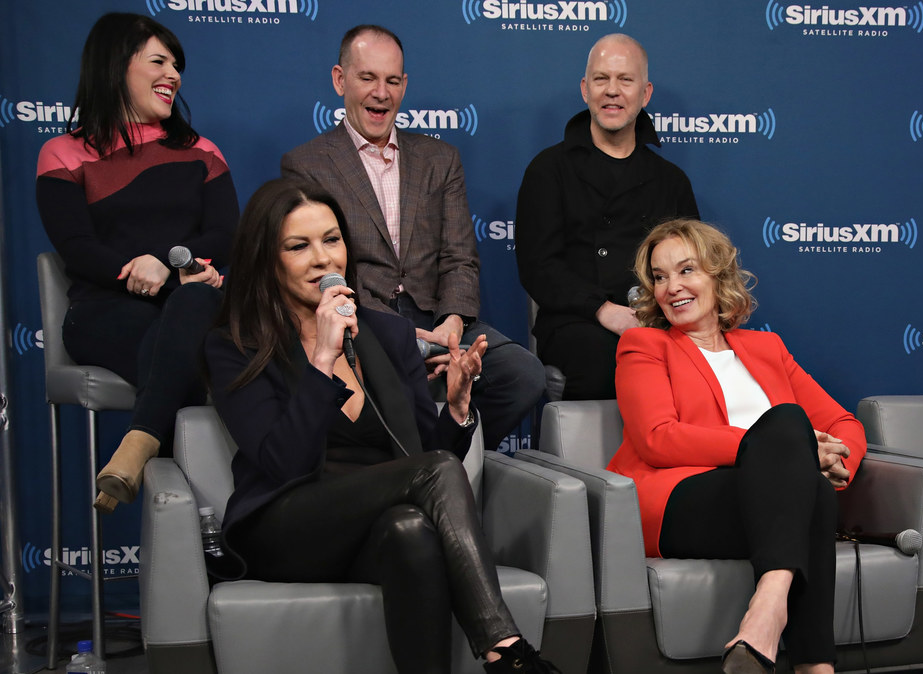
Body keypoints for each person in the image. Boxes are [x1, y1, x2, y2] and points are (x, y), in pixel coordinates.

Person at [204, 179, 558, 674]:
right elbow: (282, 462)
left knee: (412, 529)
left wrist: (456, 409)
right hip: (288, 526)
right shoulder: (236, 344)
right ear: (267, 257)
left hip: (373, 526)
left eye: (332, 240)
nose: (323, 259)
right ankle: (505, 650)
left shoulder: (386, 333)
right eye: (298, 246)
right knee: (429, 477)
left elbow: (420, 455)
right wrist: (323, 357)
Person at [606, 219, 865, 674]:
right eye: (660, 277)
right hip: (678, 499)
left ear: (717, 275)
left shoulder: (766, 348)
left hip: (774, 501)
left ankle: (769, 613)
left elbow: (843, 423)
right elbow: (657, 438)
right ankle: (807, 656)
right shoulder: (644, 344)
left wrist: (837, 465)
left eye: (686, 270)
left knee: (815, 488)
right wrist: (785, 449)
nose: (673, 287)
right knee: (786, 423)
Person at [282, 25, 543, 452]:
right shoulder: (307, 164)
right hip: (365, 323)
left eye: (392, 80)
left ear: (405, 86)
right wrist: (412, 338)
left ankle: (449, 456)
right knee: (394, 386)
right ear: (339, 79)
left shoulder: (440, 159)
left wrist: (452, 322)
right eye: (367, 78)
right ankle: (420, 471)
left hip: (443, 321)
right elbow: (325, 271)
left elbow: (460, 256)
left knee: (522, 374)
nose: (380, 93)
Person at [35, 12, 237, 513]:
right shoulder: (62, 153)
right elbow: (77, 246)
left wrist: (169, 268)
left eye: (177, 65)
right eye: (159, 61)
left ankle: (140, 444)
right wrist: (138, 270)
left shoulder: (203, 152)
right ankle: (214, 529)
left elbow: (226, 236)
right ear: (115, 66)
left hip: (188, 300)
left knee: (192, 309)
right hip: (103, 310)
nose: (174, 74)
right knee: (184, 343)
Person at [516, 33, 699, 400]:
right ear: (585, 90)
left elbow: (695, 266)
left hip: (660, 318)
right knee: (611, 357)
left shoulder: (671, 180)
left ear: (645, 94)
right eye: (601, 79)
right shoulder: (548, 170)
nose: (611, 90)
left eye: (625, 80)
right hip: (576, 321)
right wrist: (602, 309)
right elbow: (539, 267)